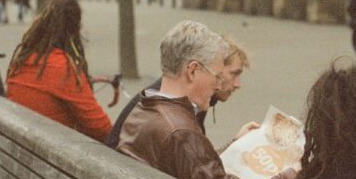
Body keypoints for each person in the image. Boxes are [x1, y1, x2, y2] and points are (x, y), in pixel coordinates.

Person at [116, 21, 293, 179]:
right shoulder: (180, 131)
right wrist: (290, 178)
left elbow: (194, 168)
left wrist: (235, 144)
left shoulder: (146, 106)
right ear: (192, 71)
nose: (218, 86)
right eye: (217, 76)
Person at [106, 36, 254, 148]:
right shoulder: (179, 110)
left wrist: (235, 144)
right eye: (234, 74)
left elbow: (199, 167)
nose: (237, 84)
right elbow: (204, 176)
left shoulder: (169, 95)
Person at [5, 0, 112, 142]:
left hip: (23, 149)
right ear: (73, 30)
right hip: (49, 153)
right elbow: (102, 129)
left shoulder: (22, 60)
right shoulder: (62, 68)